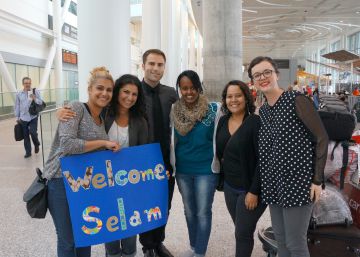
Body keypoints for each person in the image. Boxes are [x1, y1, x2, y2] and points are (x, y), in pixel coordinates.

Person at [57, 74, 149, 257]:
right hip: (102, 182)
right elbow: (77, 124)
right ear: (117, 93)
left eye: (134, 94)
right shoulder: (104, 113)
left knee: (130, 228)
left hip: (129, 182)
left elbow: (143, 155)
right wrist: (59, 111)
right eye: (125, 92)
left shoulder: (140, 121)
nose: (129, 98)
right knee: (110, 227)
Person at [248, 56, 328, 257]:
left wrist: (317, 180)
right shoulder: (264, 110)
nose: (263, 77)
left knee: (295, 243)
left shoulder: (297, 100)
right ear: (253, 81)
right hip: (274, 183)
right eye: (257, 75)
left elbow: (321, 138)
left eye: (267, 72)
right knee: (281, 241)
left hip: (298, 183)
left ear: (277, 74)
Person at [42, 67, 120, 257]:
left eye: (109, 90)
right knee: (68, 240)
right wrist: (104, 142)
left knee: (85, 235)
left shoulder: (102, 117)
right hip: (61, 180)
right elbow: (68, 144)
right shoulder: (76, 107)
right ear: (90, 90)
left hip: (85, 184)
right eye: (100, 88)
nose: (104, 93)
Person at [170, 70, 221, 257]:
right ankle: (193, 246)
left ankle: (200, 252)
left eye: (193, 88)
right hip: (183, 169)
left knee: (202, 212)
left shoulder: (214, 109)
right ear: (180, 89)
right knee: (189, 211)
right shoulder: (174, 110)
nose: (189, 92)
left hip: (206, 170)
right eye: (184, 88)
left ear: (199, 88)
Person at [215, 80, 267, 257]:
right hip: (230, 187)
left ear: (246, 98)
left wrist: (254, 191)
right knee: (241, 229)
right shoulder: (222, 121)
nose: (233, 100)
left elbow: (264, 159)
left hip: (250, 189)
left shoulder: (255, 122)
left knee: (242, 233)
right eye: (229, 96)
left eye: (238, 95)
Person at [140, 49, 178, 257]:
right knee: (146, 205)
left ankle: (158, 242)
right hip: (141, 162)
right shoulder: (133, 91)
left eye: (160, 65)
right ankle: (147, 246)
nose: (155, 68)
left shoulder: (170, 93)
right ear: (143, 65)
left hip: (166, 161)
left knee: (164, 205)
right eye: (151, 64)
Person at [14, 77, 43, 158]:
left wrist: (35, 98)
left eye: (29, 83)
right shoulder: (19, 94)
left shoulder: (35, 91)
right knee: (26, 136)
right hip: (23, 118)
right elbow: (17, 105)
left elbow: (41, 102)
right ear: (23, 84)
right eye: (26, 83)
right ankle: (28, 152)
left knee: (33, 133)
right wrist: (17, 117)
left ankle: (36, 144)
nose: (28, 85)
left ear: (31, 83)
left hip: (33, 116)